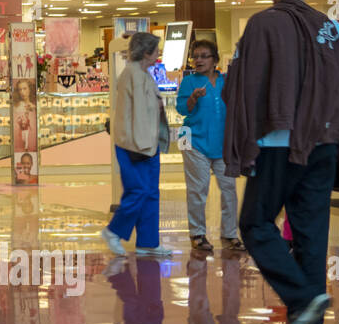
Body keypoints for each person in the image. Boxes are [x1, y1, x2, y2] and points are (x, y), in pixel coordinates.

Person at [223, 0, 339, 324]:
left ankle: (303, 300)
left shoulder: (263, 24)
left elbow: (246, 86)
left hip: (278, 145)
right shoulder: (331, 28)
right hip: (323, 144)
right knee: (311, 232)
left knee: (255, 224)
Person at [102, 31, 173, 257]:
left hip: (148, 144)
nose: (158, 55)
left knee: (151, 192)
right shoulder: (133, 75)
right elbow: (139, 115)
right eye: (155, 51)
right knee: (139, 190)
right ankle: (114, 231)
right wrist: (145, 147)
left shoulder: (142, 74)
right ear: (145, 53)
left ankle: (148, 242)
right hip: (136, 145)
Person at [176, 39, 241, 253]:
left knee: (229, 189)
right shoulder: (189, 82)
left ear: (215, 60)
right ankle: (197, 233)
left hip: (222, 145)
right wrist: (193, 98)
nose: (199, 60)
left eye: (204, 56)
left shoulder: (225, 81)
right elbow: (182, 110)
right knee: (198, 190)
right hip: (195, 143)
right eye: (196, 56)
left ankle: (230, 234)